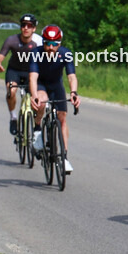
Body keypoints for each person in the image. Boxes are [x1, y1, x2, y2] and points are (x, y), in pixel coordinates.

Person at [29, 25, 80, 174]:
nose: (51, 47)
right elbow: (33, 77)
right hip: (41, 84)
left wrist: (74, 92)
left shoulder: (66, 53)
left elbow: (71, 76)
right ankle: (37, 129)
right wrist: (34, 95)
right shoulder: (35, 53)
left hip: (56, 85)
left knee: (62, 117)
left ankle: (64, 157)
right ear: (43, 42)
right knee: (42, 101)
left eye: (54, 44)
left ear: (60, 43)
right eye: (47, 43)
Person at [0, 13, 43, 134]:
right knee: (11, 91)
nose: (26, 28)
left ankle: (36, 124)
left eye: (29, 26)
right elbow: (0, 57)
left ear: (34, 28)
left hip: (31, 73)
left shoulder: (38, 42)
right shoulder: (12, 40)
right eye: (23, 25)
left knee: (36, 98)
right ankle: (13, 117)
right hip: (14, 70)